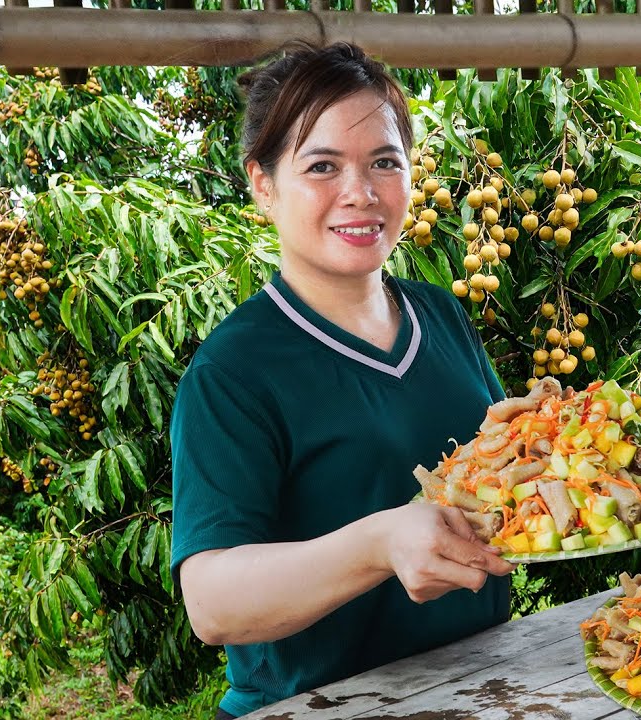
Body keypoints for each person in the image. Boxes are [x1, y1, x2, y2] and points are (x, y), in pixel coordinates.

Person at [169, 41, 514, 718]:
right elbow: (212, 605)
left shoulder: (441, 316)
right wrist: (381, 543)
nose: (360, 193)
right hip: (314, 705)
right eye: (321, 166)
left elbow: (507, 478)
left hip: (478, 686)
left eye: (385, 162)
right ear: (262, 185)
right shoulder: (234, 371)